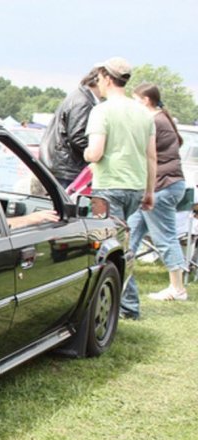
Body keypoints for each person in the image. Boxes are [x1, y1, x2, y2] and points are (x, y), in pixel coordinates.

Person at [83, 57, 156, 319]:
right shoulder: (144, 112)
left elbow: (95, 152)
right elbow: (151, 156)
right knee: (125, 247)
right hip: (135, 187)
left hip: (108, 187)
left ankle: (123, 306)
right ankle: (127, 304)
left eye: (99, 78)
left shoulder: (101, 111)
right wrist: (149, 191)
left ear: (106, 78)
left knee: (109, 249)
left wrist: (86, 154)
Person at [122, 83, 188, 303]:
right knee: (129, 234)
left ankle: (178, 289)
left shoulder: (154, 121)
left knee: (165, 238)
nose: (133, 104)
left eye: (135, 100)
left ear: (146, 100)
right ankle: (121, 280)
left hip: (161, 187)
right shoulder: (162, 119)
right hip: (163, 185)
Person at [40, 69, 101, 187]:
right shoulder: (83, 101)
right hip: (67, 167)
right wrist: (96, 152)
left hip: (62, 163)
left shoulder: (80, 97)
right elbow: (78, 136)